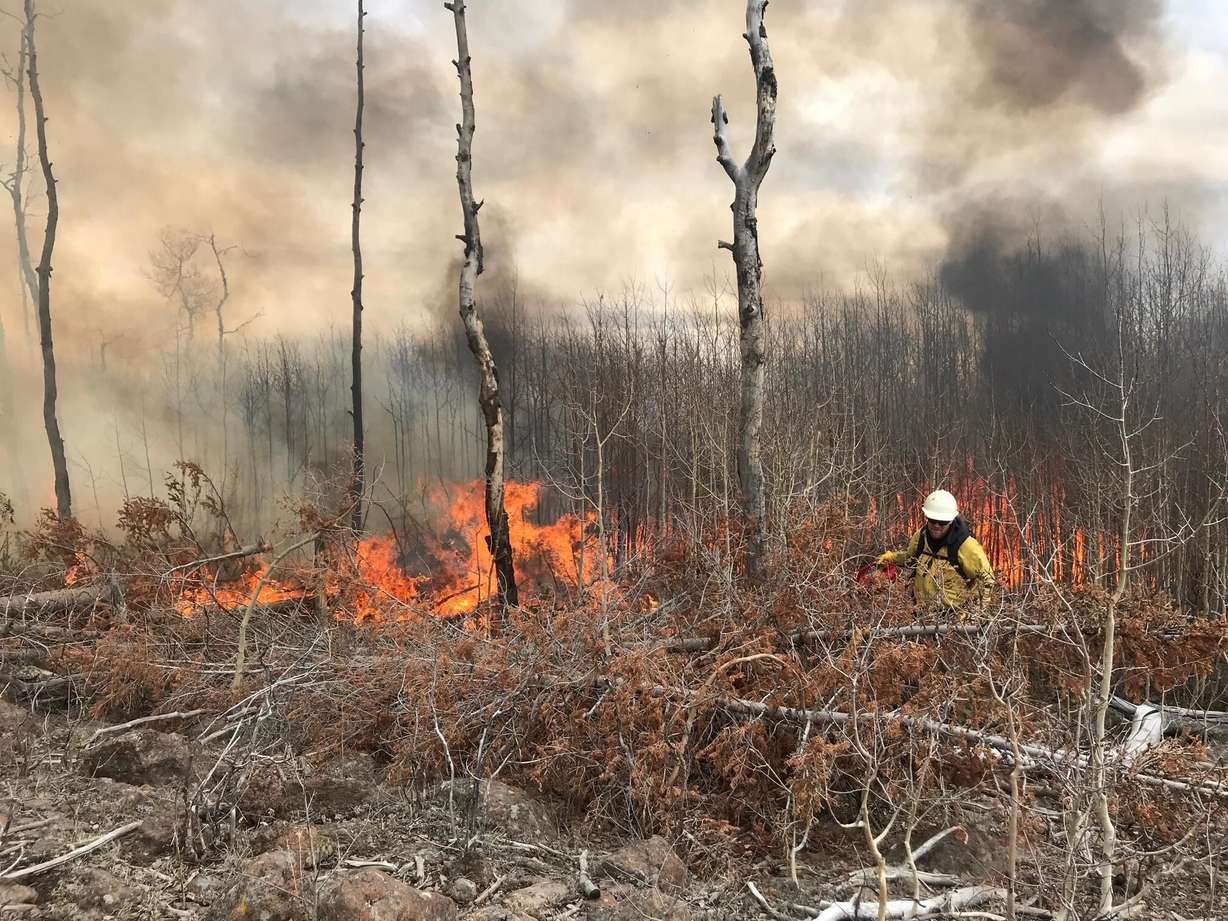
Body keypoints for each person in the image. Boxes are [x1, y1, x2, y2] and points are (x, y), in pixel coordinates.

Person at [877, 489, 995, 612]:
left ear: (950, 520)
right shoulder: (921, 538)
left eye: (942, 522)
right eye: (933, 520)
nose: (936, 526)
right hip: (921, 613)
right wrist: (892, 558)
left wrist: (975, 615)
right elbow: (910, 558)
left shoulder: (966, 546)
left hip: (953, 617)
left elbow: (987, 580)